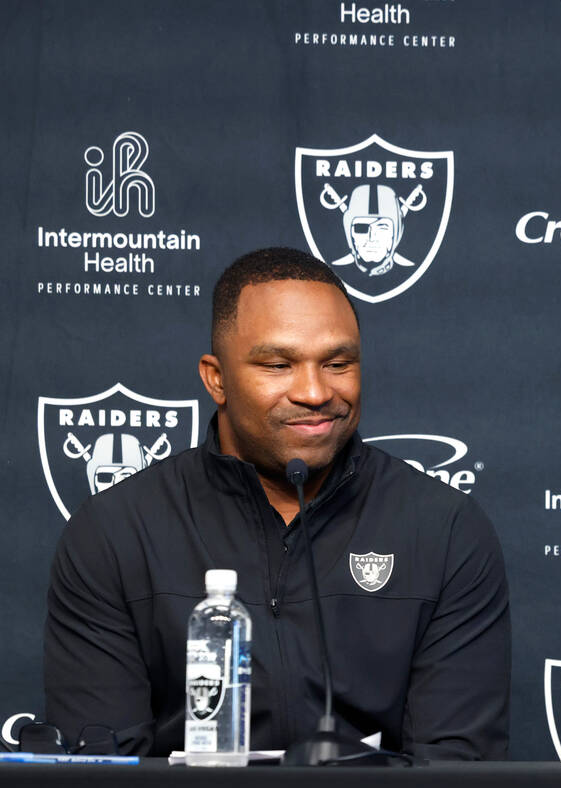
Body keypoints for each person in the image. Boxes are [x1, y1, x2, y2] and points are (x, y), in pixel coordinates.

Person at [43, 247, 510, 759]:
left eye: (337, 363)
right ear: (216, 379)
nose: (314, 391)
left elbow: (457, 773)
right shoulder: (114, 533)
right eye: (277, 364)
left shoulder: (443, 530)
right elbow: (101, 773)